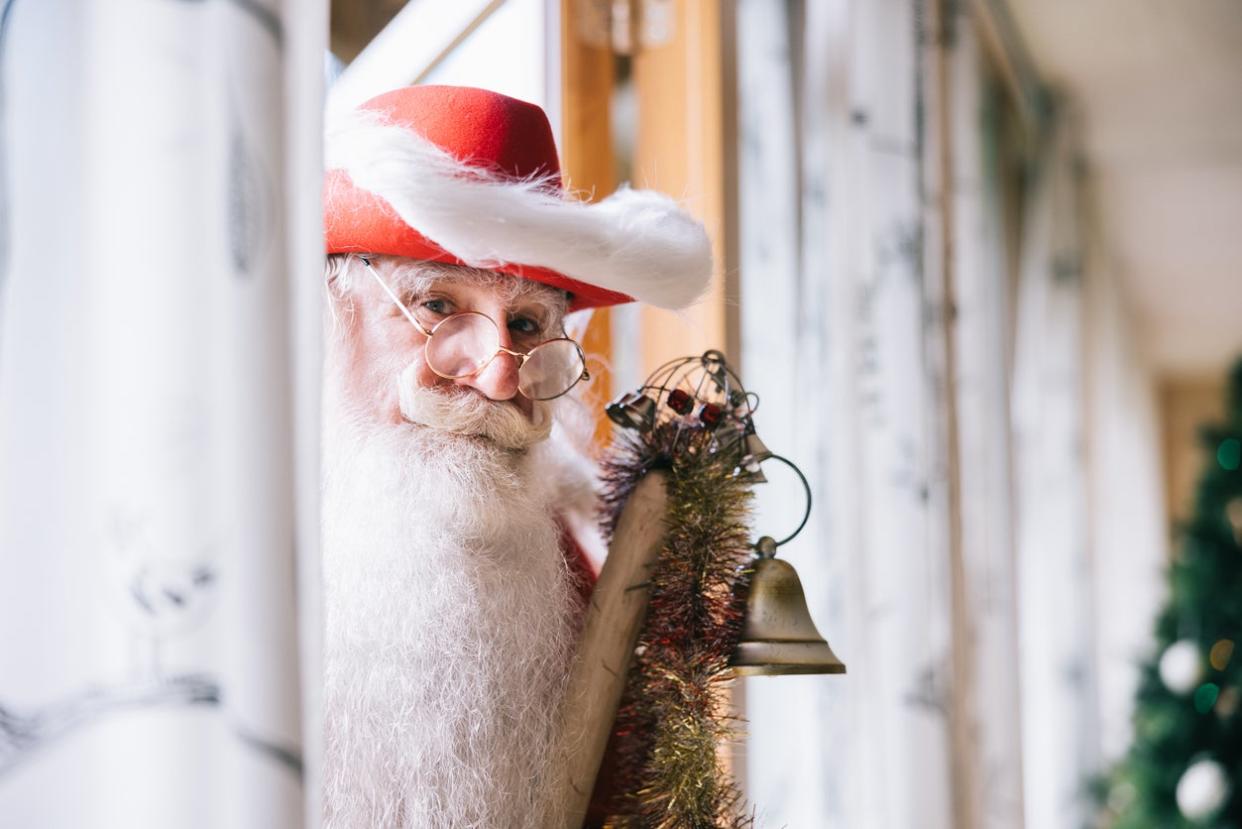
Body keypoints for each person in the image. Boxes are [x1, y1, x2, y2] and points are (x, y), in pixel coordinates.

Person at [319, 85, 711, 828]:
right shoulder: (220, 572)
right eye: (436, 304)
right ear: (334, 315)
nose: (501, 375)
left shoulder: (575, 587)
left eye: (528, 322)